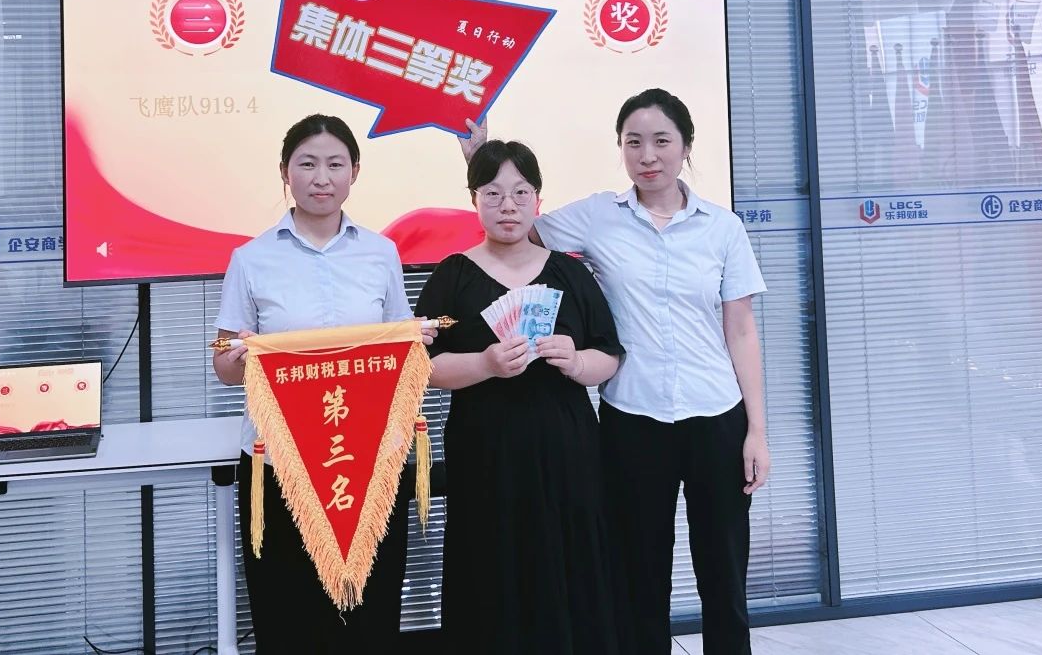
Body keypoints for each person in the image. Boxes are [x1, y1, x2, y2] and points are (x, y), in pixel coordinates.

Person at [461, 89, 770, 655]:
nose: (647, 155)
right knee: (638, 576)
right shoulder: (599, 215)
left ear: (686, 146)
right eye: (634, 143)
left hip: (717, 418)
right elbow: (516, 225)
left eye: (661, 141)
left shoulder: (723, 228)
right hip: (633, 419)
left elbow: (742, 332)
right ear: (621, 148)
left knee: (724, 576)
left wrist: (757, 431)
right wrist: (478, 158)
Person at [211, 114, 427, 655]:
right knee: (288, 610)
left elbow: (399, 346)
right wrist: (238, 357)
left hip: (370, 459)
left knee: (369, 611)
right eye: (307, 164)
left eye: (335, 164)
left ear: (355, 171)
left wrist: (415, 341)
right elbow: (223, 362)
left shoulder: (380, 252)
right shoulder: (251, 259)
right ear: (285, 172)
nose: (322, 178)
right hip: (281, 461)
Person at [415, 138, 624, 655]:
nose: (507, 205)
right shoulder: (451, 276)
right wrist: (485, 364)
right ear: (473, 199)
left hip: (566, 450)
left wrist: (577, 362)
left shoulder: (570, 273)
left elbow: (609, 354)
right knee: (490, 564)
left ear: (538, 200)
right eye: (492, 193)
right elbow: (422, 368)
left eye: (520, 192)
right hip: (484, 450)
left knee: (569, 561)